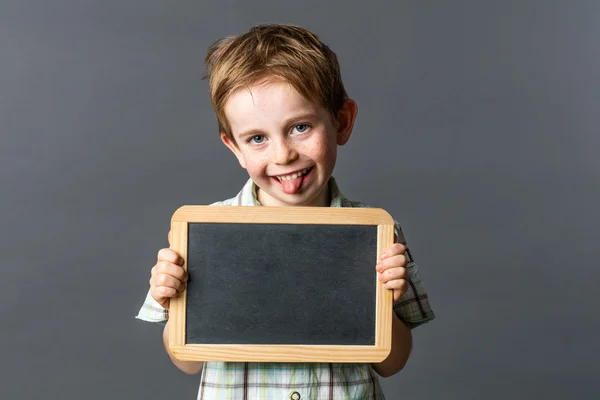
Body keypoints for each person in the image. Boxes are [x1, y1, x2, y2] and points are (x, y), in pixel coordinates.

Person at [136, 24, 435, 400]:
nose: (283, 155)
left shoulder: (375, 234)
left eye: (300, 127)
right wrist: (173, 301)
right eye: (257, 138)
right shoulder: (203, 234)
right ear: (234, 147)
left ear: (341, 122)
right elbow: (188, 359)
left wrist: (385, 302)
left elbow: (392, 363)